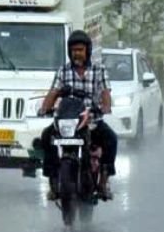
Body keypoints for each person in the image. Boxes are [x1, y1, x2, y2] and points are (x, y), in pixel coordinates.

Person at [37, 30, 117, 201]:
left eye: (80, 50)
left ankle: (103, 182)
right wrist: (45, 108)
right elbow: (53, 92)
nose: (77, 54)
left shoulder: (99, 70)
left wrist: (104, 107)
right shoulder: (63, 71)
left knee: (111, 139)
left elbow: (105, 93)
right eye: (73, 50)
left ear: (88, 50)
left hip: (91, 122)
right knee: (46, 136)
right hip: (67, 123)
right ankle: (53, 181)